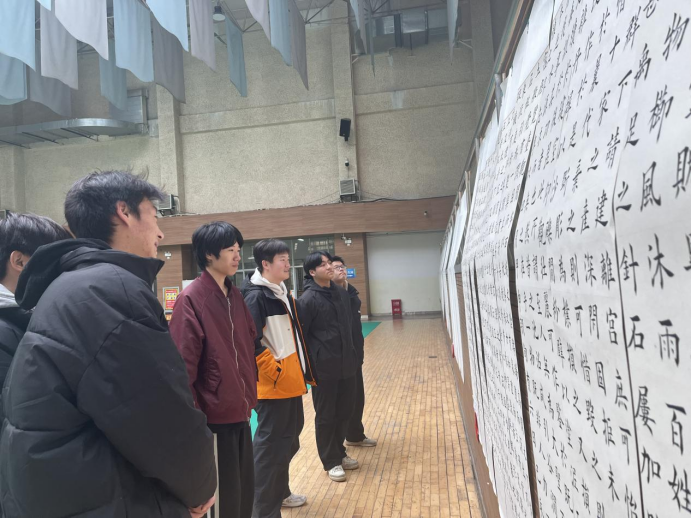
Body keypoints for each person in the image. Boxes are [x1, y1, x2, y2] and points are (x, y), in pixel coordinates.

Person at [0, 171, 217, 518]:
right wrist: (200, 487)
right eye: (154, 216)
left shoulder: (73, 285)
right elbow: (158, 417)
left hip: (66, 490)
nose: (160, 232)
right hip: (103, 495)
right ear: (124, 212)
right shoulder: (108, 290)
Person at [169, 221, 258, 518]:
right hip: (214, 420)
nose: (237, 256)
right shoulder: (191, 299)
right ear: (209, 254)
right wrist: (196, 422)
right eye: (230, 249)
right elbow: (182, 370)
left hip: (241, 412)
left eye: (238, 249)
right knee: (223, 504)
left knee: (244, 497)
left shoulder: (235, 295)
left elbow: (247, 344)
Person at [241, 239, 317, 516]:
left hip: (289, 383)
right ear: (265, 264)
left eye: (287, 258)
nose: (288, 263)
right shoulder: (256, 297)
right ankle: (262, 510)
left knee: (288, 441)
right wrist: (274, 371)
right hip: (272, 387)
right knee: (271, 449)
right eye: (282, 259)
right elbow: (248, 342)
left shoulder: (280, 292)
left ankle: (280, 492)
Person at [0, 212, 72, 420]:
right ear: (19, 261)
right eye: (55, 264)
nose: (62, 274)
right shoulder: (7, 330)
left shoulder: (22, 318)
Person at [297, 251, 359, 482]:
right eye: (323, 265)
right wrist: (310, 366)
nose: (329, 267)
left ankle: (340, 452)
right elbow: (303, 336)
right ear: (312, 272)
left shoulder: (340, 293)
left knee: (344, 411)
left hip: (346, 363)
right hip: (323, 367)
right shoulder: (307, 300)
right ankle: (330, 461)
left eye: (329, 263)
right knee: (326, 415)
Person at [330, 256, 377, 449]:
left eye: (342, 266)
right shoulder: (330, 296)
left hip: (354, 354)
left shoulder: (351, 293)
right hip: (337, 359)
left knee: (357, 398)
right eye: (336, 267)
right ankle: (336, 447)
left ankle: (355, 435)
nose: (341, 269)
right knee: (342, 402)